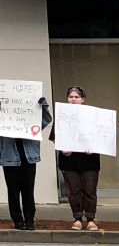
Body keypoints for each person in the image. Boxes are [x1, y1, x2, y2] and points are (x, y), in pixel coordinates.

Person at [0, 97, 52, 230]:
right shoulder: (4, 118)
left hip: (29, 158)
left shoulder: (31, 118)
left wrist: (43, 106)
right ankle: (18, 220)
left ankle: (29, 220)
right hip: (10, 158)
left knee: (28, 190)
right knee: (13, 191)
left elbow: (45, 120)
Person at [57, 86, 101, 231]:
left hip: (90, 160)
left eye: (76, 97)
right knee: (74, 191)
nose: (73, 99)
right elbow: (55, 136)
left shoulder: (93, 115)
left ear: (83, 100)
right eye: (71, 97)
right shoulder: (61, 115)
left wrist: (93, 147)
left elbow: (101, 135)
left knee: (89, 190)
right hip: (69, 160)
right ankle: (77, 219)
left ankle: (90, 219)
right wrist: (63, 148)